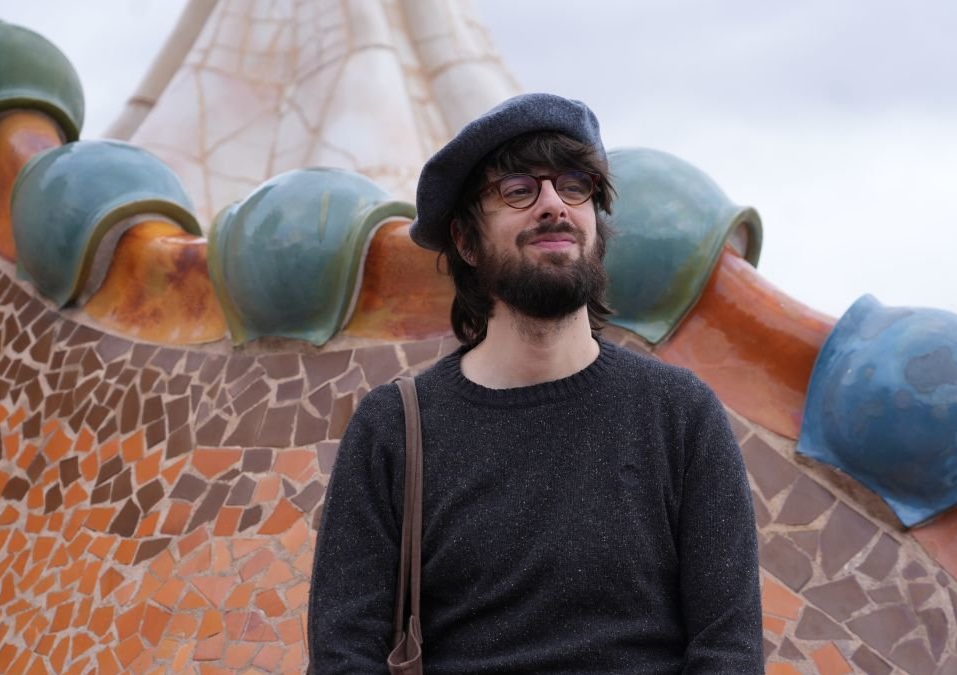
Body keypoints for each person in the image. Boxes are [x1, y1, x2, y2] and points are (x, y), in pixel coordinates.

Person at [309, 93, 763, 673]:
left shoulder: (679, 414)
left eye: (575, 186)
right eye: (518, 190)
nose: (554, 205)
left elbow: (728, 654)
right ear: (467, 242)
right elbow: (344, 655)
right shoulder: (394, 428)